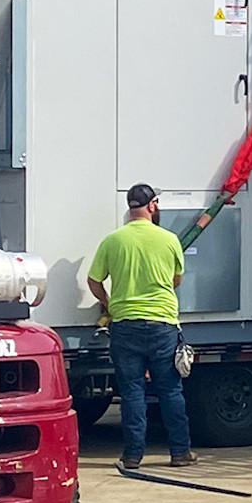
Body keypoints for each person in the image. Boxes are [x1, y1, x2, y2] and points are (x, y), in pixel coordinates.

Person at [86, 183, 194, 469]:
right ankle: (180, 452)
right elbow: (176, 279)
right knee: (170, 390)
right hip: (162, 325)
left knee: (132, 391)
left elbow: (93, 281)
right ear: (152, 205)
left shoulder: (113, 240)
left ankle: (132, 455)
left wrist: (108, 302)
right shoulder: (169, 239)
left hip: (125, 325)